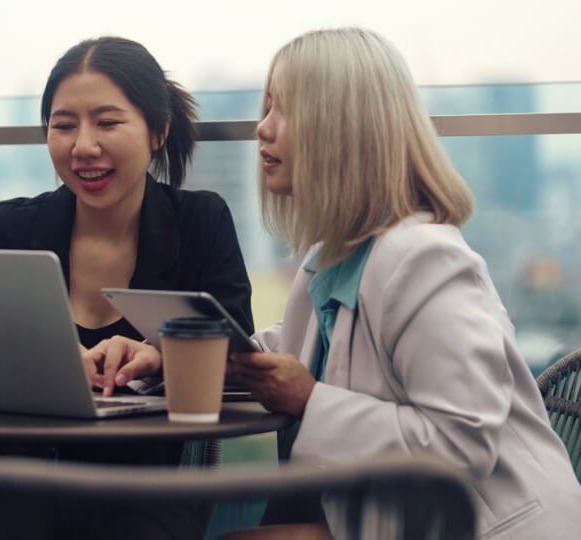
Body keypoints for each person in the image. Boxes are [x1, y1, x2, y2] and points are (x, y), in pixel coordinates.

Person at [114, 27, 581, 540]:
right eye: (265, 109)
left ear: (341, 128)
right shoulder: (335, 256)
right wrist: (166, 355)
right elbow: (296, 353)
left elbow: (461, 445)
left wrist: (310, 401)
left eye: (282, 111)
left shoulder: (426, 260)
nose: (261, 130)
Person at [0, 35, 253, 540]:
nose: (83, 147)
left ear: (157, 131)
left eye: (108, 122)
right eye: (63, 125)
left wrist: (156, 354)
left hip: (129, 498)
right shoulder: (3, 228)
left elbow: (242, 359)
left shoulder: (200, 223)